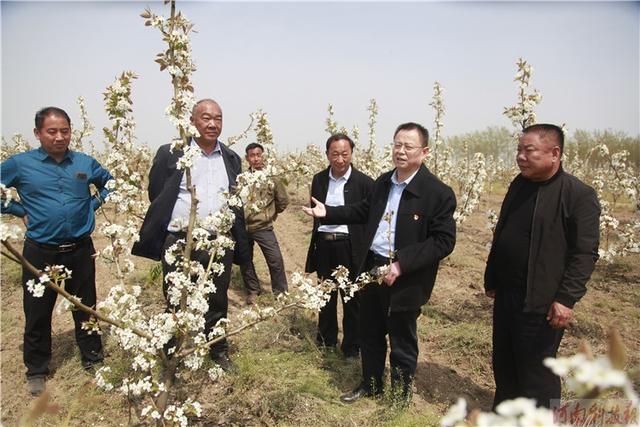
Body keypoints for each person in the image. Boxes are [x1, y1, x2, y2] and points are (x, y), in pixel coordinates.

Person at [303, 123, 456, 403]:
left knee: (401, 338)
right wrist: (329, 212)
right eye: (397, 144)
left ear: (424, 151)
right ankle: (371, 385)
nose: (400, 151)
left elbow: (444, 241)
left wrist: (402, 264)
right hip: (372, 267)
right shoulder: (384, 182)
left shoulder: (437, 193)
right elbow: (363, 210)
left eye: (408, 146)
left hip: (406, 275)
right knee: (369, 331)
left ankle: (399, 397)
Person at [484, 123, 600, 409]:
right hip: (508, 294)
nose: (520, 156)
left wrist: (565, 298)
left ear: (554, 153)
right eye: (519, 150)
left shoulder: (577, 195)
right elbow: (504, 233)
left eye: (529, 150)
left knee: (536, 368)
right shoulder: (519, 184)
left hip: (542, 300)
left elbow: (585, 253)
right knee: (505, 360)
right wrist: (493, 279)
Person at [1, 107, 112, 395]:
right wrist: (15, 209)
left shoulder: (85, 162)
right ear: (38, 133)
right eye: (52, 131)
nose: (59, 137)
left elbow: (110, 184)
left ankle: (93, 359)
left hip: (79, 248)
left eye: (65, 130)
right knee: (37, 311)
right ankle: (37, 369)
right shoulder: (20, 164)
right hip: (40, 250)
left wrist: (92, 205)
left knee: (85, 306)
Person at [132, 99, 250, 371]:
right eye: (206, 118)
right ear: (192, 121)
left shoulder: (231, 158)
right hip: (180, 239)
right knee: (175, 294)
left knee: (217, 297)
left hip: (218, 240)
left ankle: (217, 350)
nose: (212, 124)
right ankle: (170, 350)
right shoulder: (171, 153)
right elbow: (157, 194)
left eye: (218, 118)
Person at [304, 133, 374, 358]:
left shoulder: (365, 183)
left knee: (352, 297)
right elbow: (315, 212)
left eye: (345, 154)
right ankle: (326, 340)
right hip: (325, 245)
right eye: (335, 154)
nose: (340, 159)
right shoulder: (319, 179)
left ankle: (352, 346)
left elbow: (368, 217)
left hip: (350, 246)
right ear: (327, 155)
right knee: (326, 295)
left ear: (352, 154)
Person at [240, 142, 289, 304]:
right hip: (243, 227)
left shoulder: (272, 178)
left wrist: (269, 214)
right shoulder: (242, 179)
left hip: (263, 226)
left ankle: (280, 293)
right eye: (252, 156)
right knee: (245, 260)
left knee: (275, 260)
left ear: (263, 156)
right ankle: (253, 290)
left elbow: (282, 201)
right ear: (247, 158)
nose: (256, 159)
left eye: (258, 155)